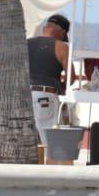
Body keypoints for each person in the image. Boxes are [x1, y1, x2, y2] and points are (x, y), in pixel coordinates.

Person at [27, 14, 71, 143]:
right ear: (62, 32)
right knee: (48, 143)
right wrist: (62, 87)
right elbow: (71, 77)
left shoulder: (26, 43)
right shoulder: (62, 47)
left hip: (23, 96)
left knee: (28, 143)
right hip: (45, 98)